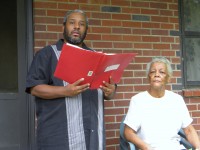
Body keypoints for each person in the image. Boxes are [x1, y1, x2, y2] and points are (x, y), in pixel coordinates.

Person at [26, 9, 117, 150]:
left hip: (92, 137)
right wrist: (65, 91)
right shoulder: (47, 54)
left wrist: (110, 92)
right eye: (72, 23)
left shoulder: (97, 58)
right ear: (63, 27)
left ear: (86, 30)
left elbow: (108, 90)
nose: (76, 27)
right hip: (58, 138)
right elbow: (34, 88)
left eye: (81, 24)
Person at [123, 57, 200, 150]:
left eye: (162, 72)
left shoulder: (177, 100)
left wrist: (198, 147)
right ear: (148, 77)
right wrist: (146, 147)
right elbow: (128, 132)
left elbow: (189, 130)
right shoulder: (138, 100)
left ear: (168, 78)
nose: (157, 75)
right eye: (152, 72)